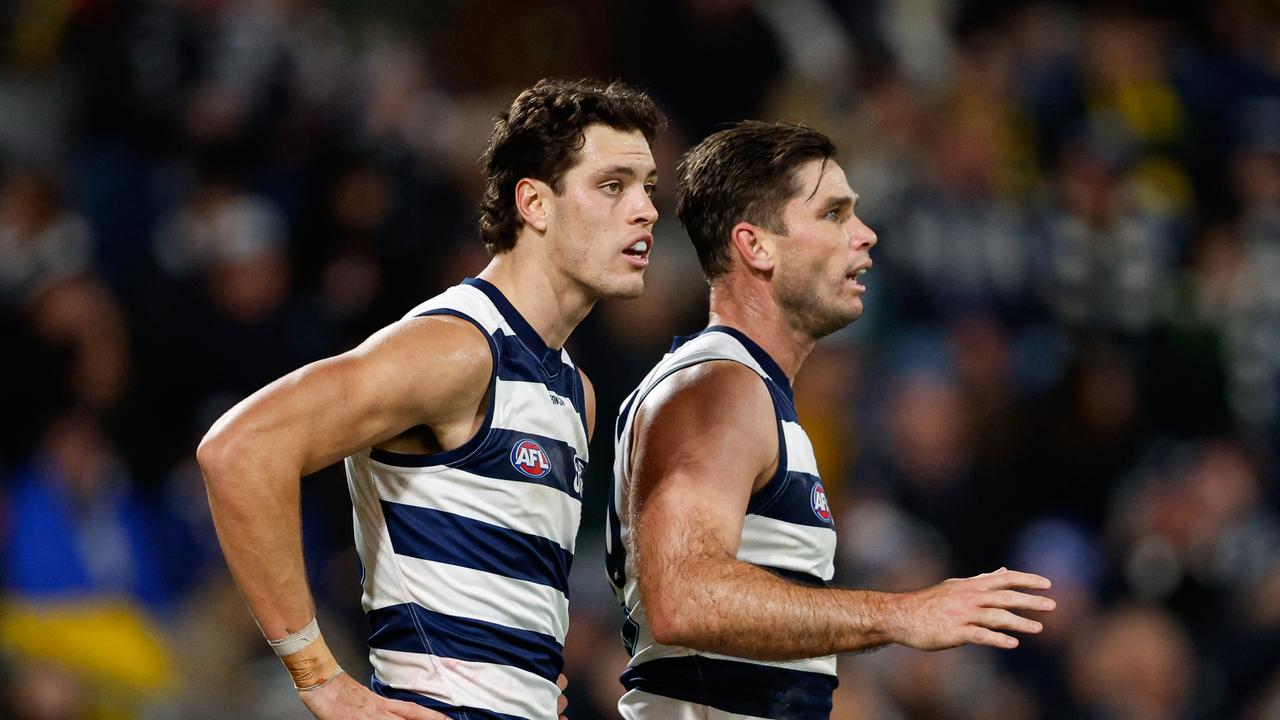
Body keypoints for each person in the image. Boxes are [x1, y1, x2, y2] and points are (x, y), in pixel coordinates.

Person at [197, 78, 663, 720]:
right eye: (613, 186)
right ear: (534, 203)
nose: (645, 210)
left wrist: (527, 682)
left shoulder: (572, 389)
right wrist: (323, 680)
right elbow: (240, 449)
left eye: (648, 188)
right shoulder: (456, 348)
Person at [605, 121, 1055, 719]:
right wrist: (902, 613)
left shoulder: (751, 391)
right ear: (756, 245)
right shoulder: (718, 387)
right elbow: (683, 598)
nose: (864, 235)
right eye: (834, 214)